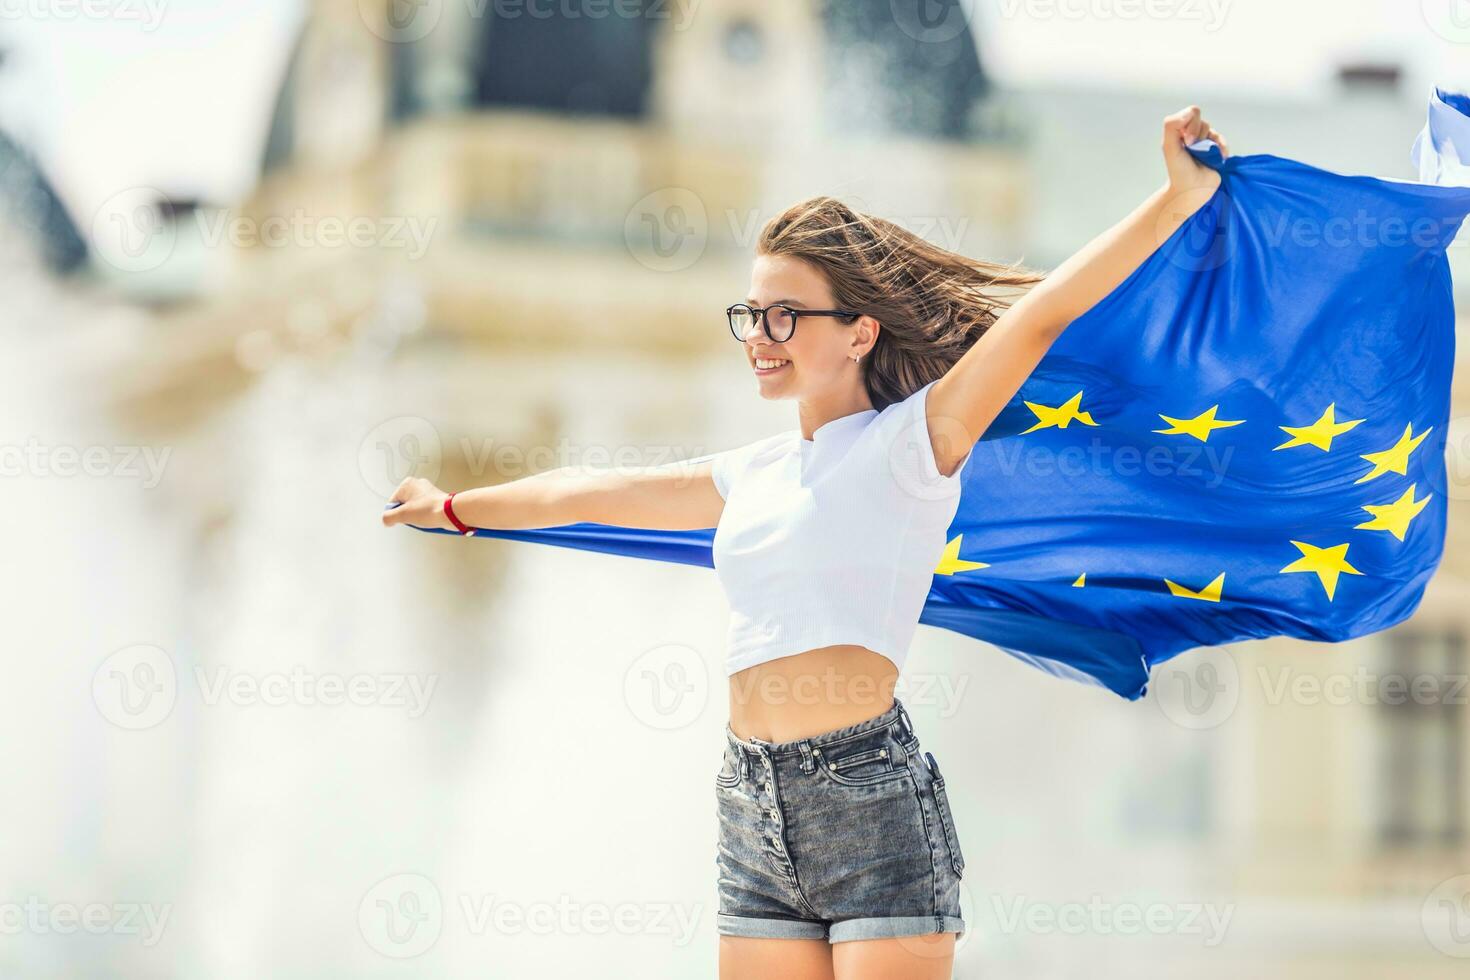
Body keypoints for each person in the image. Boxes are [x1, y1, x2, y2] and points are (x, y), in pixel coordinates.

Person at [382, 105, 1229, 980]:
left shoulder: (914, 444)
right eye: (750, 314)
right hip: (749, 799)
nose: (758, 337)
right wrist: (452, 507)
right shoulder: (752, 473)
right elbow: (587, 491)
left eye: (784, 316)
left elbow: (1043, 316)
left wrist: (1173, 200)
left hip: (870, 797)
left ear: (860, 331)